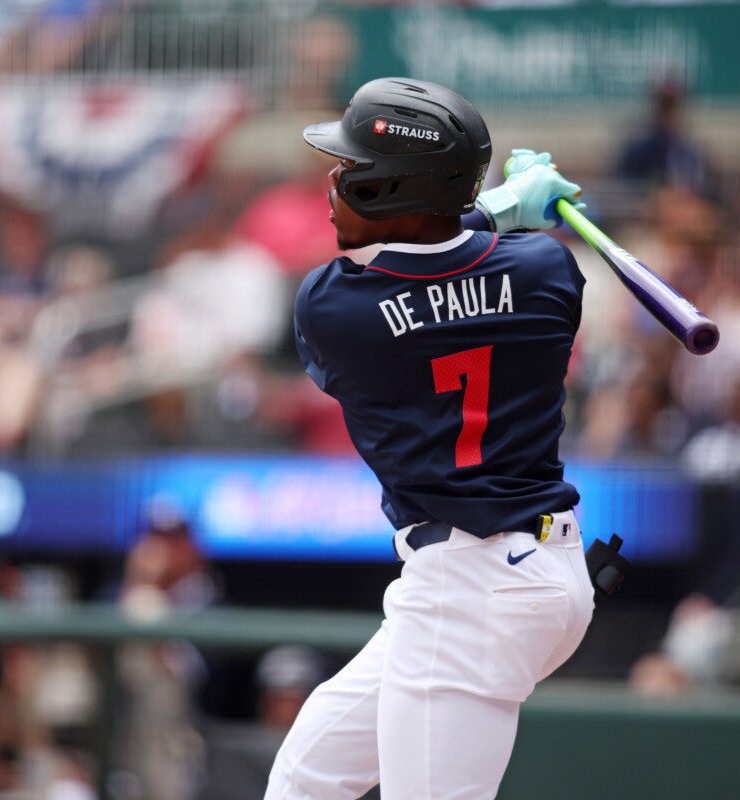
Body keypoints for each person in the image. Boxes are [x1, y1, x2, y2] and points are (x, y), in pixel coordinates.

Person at [264, 77, 595, 800]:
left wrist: (499, 207)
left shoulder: (332, 309)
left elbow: (423, 272)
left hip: (470, 588)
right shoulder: (547, 269)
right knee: (306, 780)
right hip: (542, 569)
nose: (336, 181)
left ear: (390, 190)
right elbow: (459, 255)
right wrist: (504, 209)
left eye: (353, 170)